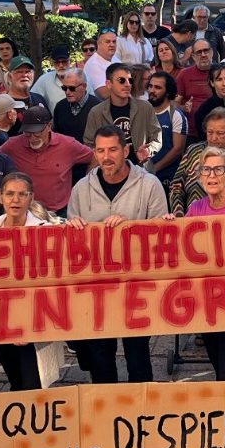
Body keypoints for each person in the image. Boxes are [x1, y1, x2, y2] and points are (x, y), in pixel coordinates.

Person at [66, 126, 168, 383]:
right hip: (96, 288)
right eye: (100, 150)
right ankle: (105, 411)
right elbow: (72, 245)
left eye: (112, 149)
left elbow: (162, 237)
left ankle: (142, 412)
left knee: (138, 356)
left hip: (137, 287)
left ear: (125, 150)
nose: (106, 156)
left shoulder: (149, 185)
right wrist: (73, 228)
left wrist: (132, 228)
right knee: (100, 358)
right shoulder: (81, 188)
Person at [161, 148, 225, 382]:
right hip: (207, 306)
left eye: (218, 169)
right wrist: (169, 229)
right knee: (220, 368)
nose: (212, 175)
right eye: (206, 170)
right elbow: (184, 252)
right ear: (199, 176)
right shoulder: (195, 210)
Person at [0, 172, 47, 390]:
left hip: (32, 317)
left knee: (32, 383)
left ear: (31, 198)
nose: (15, 200)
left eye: (22, 195)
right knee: (14, 380)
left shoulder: (42, 230)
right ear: (1, 197)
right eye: (10, 194)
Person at [0, 105, 94, 216]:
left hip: (60, 212)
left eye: (37, 132)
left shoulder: (68, 145)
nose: (32, 138)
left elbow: (95, 157)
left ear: (49, 126)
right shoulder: (13, 145)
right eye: (28, 133)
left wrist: (87, 183)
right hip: (26, 212)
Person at [85, 63, 163, 166]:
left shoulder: (145, 107)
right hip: (109, 170)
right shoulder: (96, 112)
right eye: (121, 80)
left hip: (140, 169)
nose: (127, 84)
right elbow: (89, 143)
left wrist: (148, 151)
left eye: (130, 81)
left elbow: (157, 138)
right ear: (109, 84)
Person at [148, 72, 188, 185]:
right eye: (150, 86)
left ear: (168, 92)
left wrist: (154, 169)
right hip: (141, 173)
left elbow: (178, 149)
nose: (152, 91)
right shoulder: (141, 110)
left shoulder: (176, 116)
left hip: (167, 177)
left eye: (157, 87)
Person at [192, 62, 225, 144]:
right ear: (212, 83)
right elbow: (204, 140)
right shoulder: (204, 109)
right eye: (219, 79)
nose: (224, 84)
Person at [177, 39, 217, 132]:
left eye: (206, 51)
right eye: (199, 52)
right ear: (193, 56)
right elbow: (174, 103)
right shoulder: (184, 74)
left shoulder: (222, 72)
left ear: (211, 52)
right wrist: (184, 108)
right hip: (192, 131)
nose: (203, 55)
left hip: (217, 129)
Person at [52, 68, 102, 143]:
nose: (67, 92)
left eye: (72, 88)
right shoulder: (60, 107)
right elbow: (56, 135)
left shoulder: (98, 107)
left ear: (84, 86)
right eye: (64, 88)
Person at [4, 56, 49, 127]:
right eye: (19, 72)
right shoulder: (2, 103)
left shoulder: (39, 98)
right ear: (10, 76)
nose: (24, 75)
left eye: (28, 71)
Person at [84, 32, 121, 97]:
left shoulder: (115, 58)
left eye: (114, 41)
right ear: (98, 44)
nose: (112, 44)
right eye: (107, 42)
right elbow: (104, 94)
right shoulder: (93, 64)